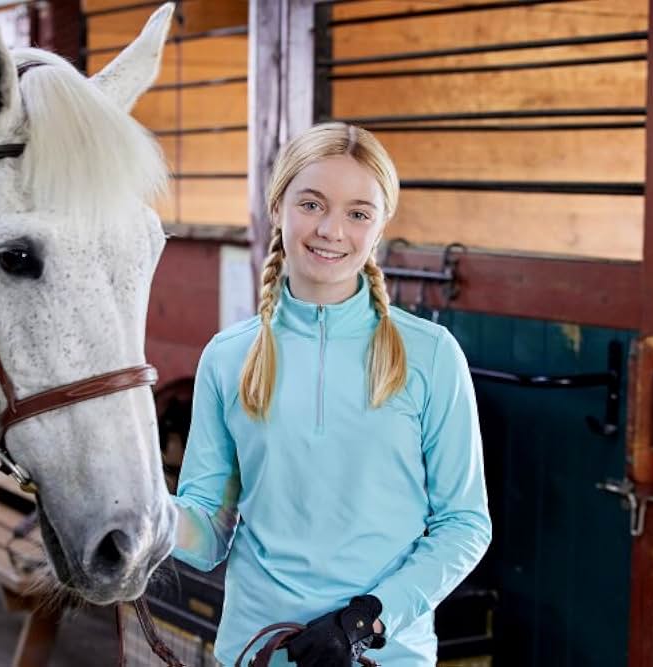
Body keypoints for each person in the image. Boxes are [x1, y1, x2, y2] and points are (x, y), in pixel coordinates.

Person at [171, 122, 491, 666]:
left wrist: (367, 620)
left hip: (384, 656)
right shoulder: (227, 357)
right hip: (256, 651)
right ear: (278, 207)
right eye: (312, 204)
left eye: (358, 213)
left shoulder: (432, 355)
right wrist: (149, 518)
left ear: (380, 225)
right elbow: (208, 534)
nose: (331, 230)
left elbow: (464, 524)